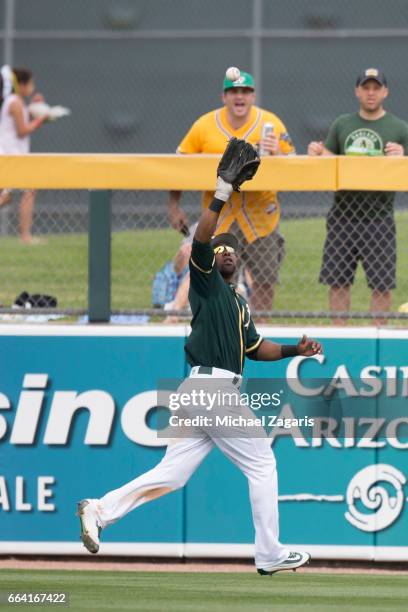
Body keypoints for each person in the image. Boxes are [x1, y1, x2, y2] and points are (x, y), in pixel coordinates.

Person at [77, 140, 322, 576]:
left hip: (201, 392)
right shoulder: (207, 282)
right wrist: (222, 192)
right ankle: (269, 554)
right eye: (220, 249)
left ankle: (100, 508)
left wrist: (292, 350)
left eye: (232, 250)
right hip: (212, 388)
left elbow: (255, 349)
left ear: (240, 260)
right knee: (263, 463)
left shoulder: (238, 303)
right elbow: (205, 236)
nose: (225, 252)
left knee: (172, 474)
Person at [168, 71, 295, 316]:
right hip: (221, 217)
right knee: (219, 281)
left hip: (261, 217)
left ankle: (259, 328)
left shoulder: (271, 123)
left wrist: (279, 151)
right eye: (234, 92)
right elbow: (178, 164)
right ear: (224, 96)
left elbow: (295, 164)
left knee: (265, 281)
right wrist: (174, 205)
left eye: (245, 92)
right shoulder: (204, 125)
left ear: (253, 96)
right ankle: (224, 331)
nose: (240, 97)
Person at [308, 68, 408, 324]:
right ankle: (340, 334)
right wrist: (316, 153)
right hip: (343, 216)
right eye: (366, 87)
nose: (371, 92)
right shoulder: (343, 124)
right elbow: (327, 163)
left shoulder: (398, 128)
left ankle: (379, 336)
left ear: (385, 92)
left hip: (379, 217)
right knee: (339, 282)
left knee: (381, 285)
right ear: (357, 91)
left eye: (376, 88)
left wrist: (402, 158)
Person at [0, 67, 47, 244]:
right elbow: (22, 131)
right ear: (21, 84)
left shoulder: (15, 102)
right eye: (30, 83)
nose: (32, 86)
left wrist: (34, 108)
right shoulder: (15, 102)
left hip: (11, 154)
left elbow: (21, 120)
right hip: (10, 154)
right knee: (25, 191)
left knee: (11, 195)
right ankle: (25, 236)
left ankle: (25, 235)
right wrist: (40, 120)